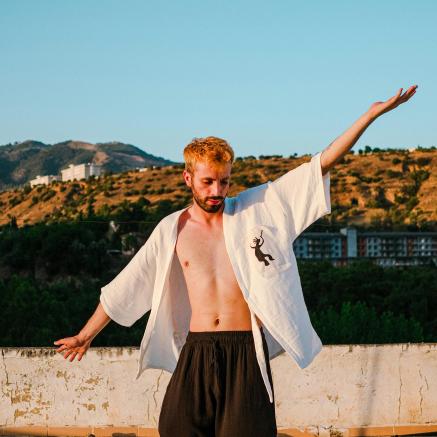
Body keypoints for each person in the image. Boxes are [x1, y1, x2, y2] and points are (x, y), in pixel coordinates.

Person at [54, 85, 417, 436]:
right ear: (188, 178)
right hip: (196, 349)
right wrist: (86, 336)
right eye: (208, 181)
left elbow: (318, 166)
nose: (217, 191)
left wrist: (370, 116)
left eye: (224, 182)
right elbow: (127, 286)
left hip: (245, 349)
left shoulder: (257, 209)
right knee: (175, 427)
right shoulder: (172, 230)